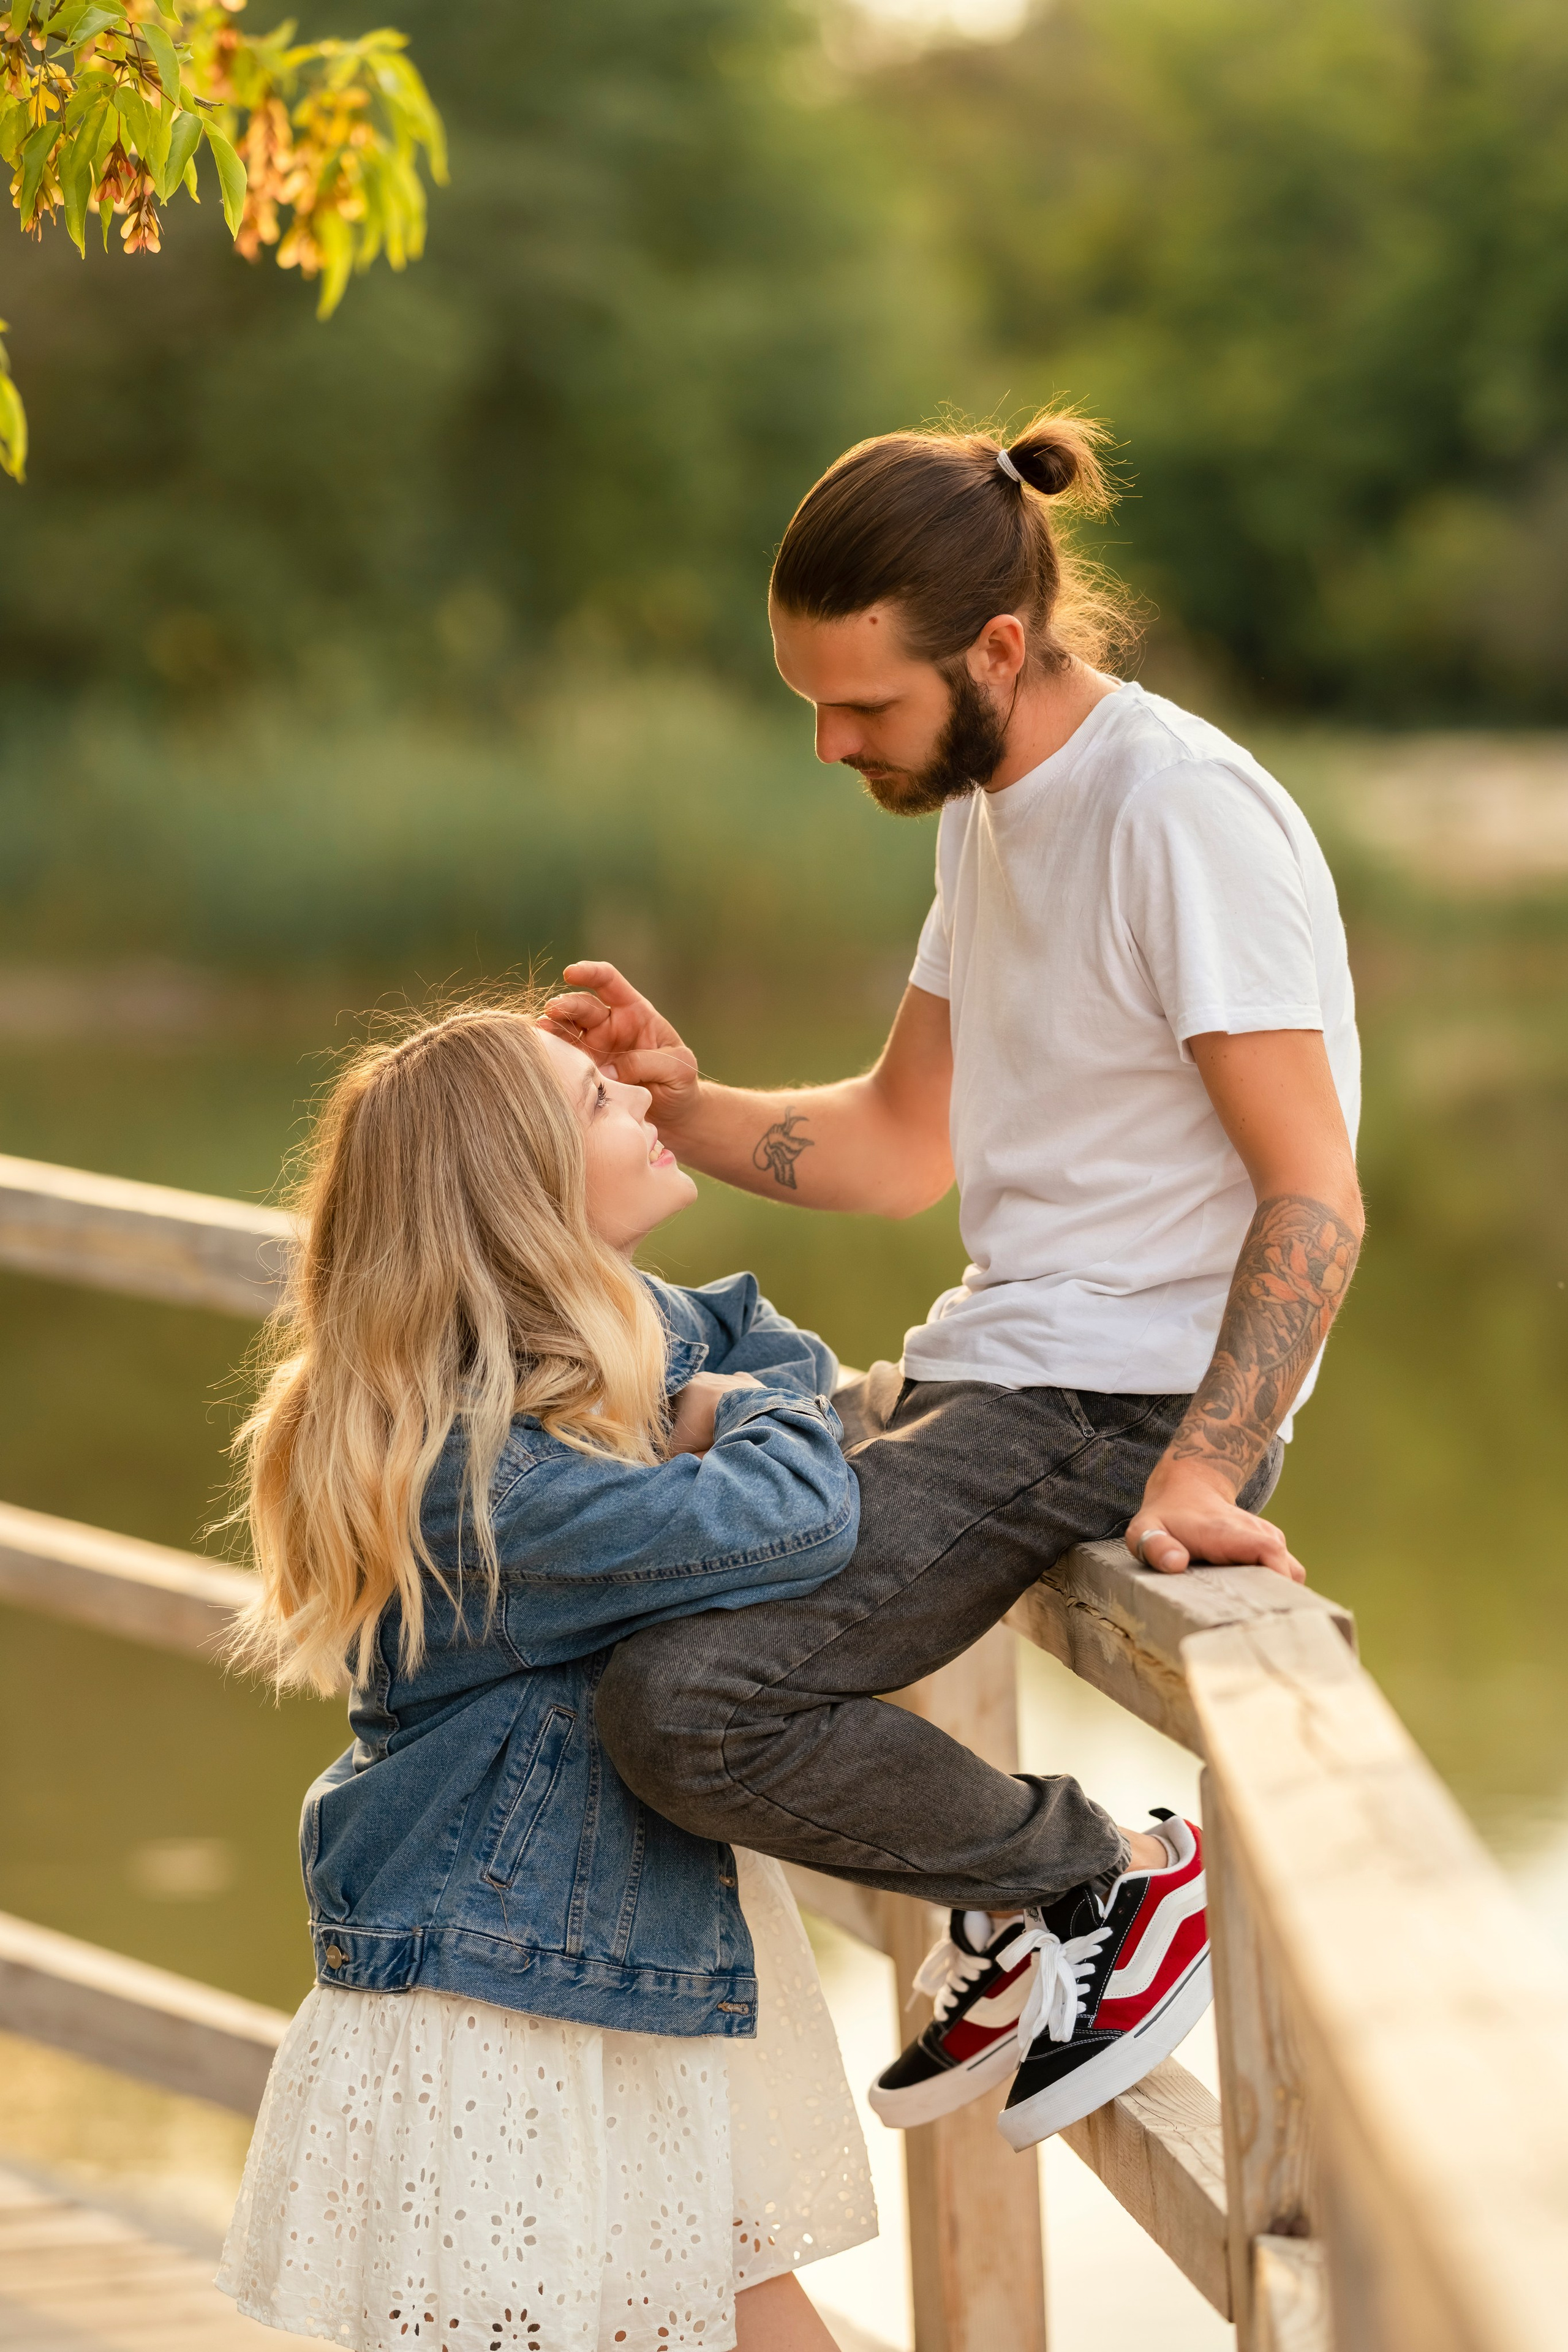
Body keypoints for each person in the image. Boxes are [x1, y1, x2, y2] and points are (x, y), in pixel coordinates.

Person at [541, 409, 1364, 2153]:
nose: (836, 744)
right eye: (814, 705)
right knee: (591, 1548)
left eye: (866, 707)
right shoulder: (992, 811)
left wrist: (1207, 1464)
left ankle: (1102, 1883)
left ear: (996, 646)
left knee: (684, 1704)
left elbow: (1313, 1190)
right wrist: (679, 1100)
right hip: (990, 1376)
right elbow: (903, 1142)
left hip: (1111, 1405)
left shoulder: (1177, 814)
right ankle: (1017, 1904)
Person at [214, 1002, 881, 2352]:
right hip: (496, 2015)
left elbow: (761, 1338)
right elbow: (800, 1513)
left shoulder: (584, 1398)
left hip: (614, 1963)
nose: (644, 1103)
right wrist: (734, 1417)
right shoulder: (492, 1483)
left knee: (748, 2306)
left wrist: (719, 1399)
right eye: (596, 1100)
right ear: (518, 1197)